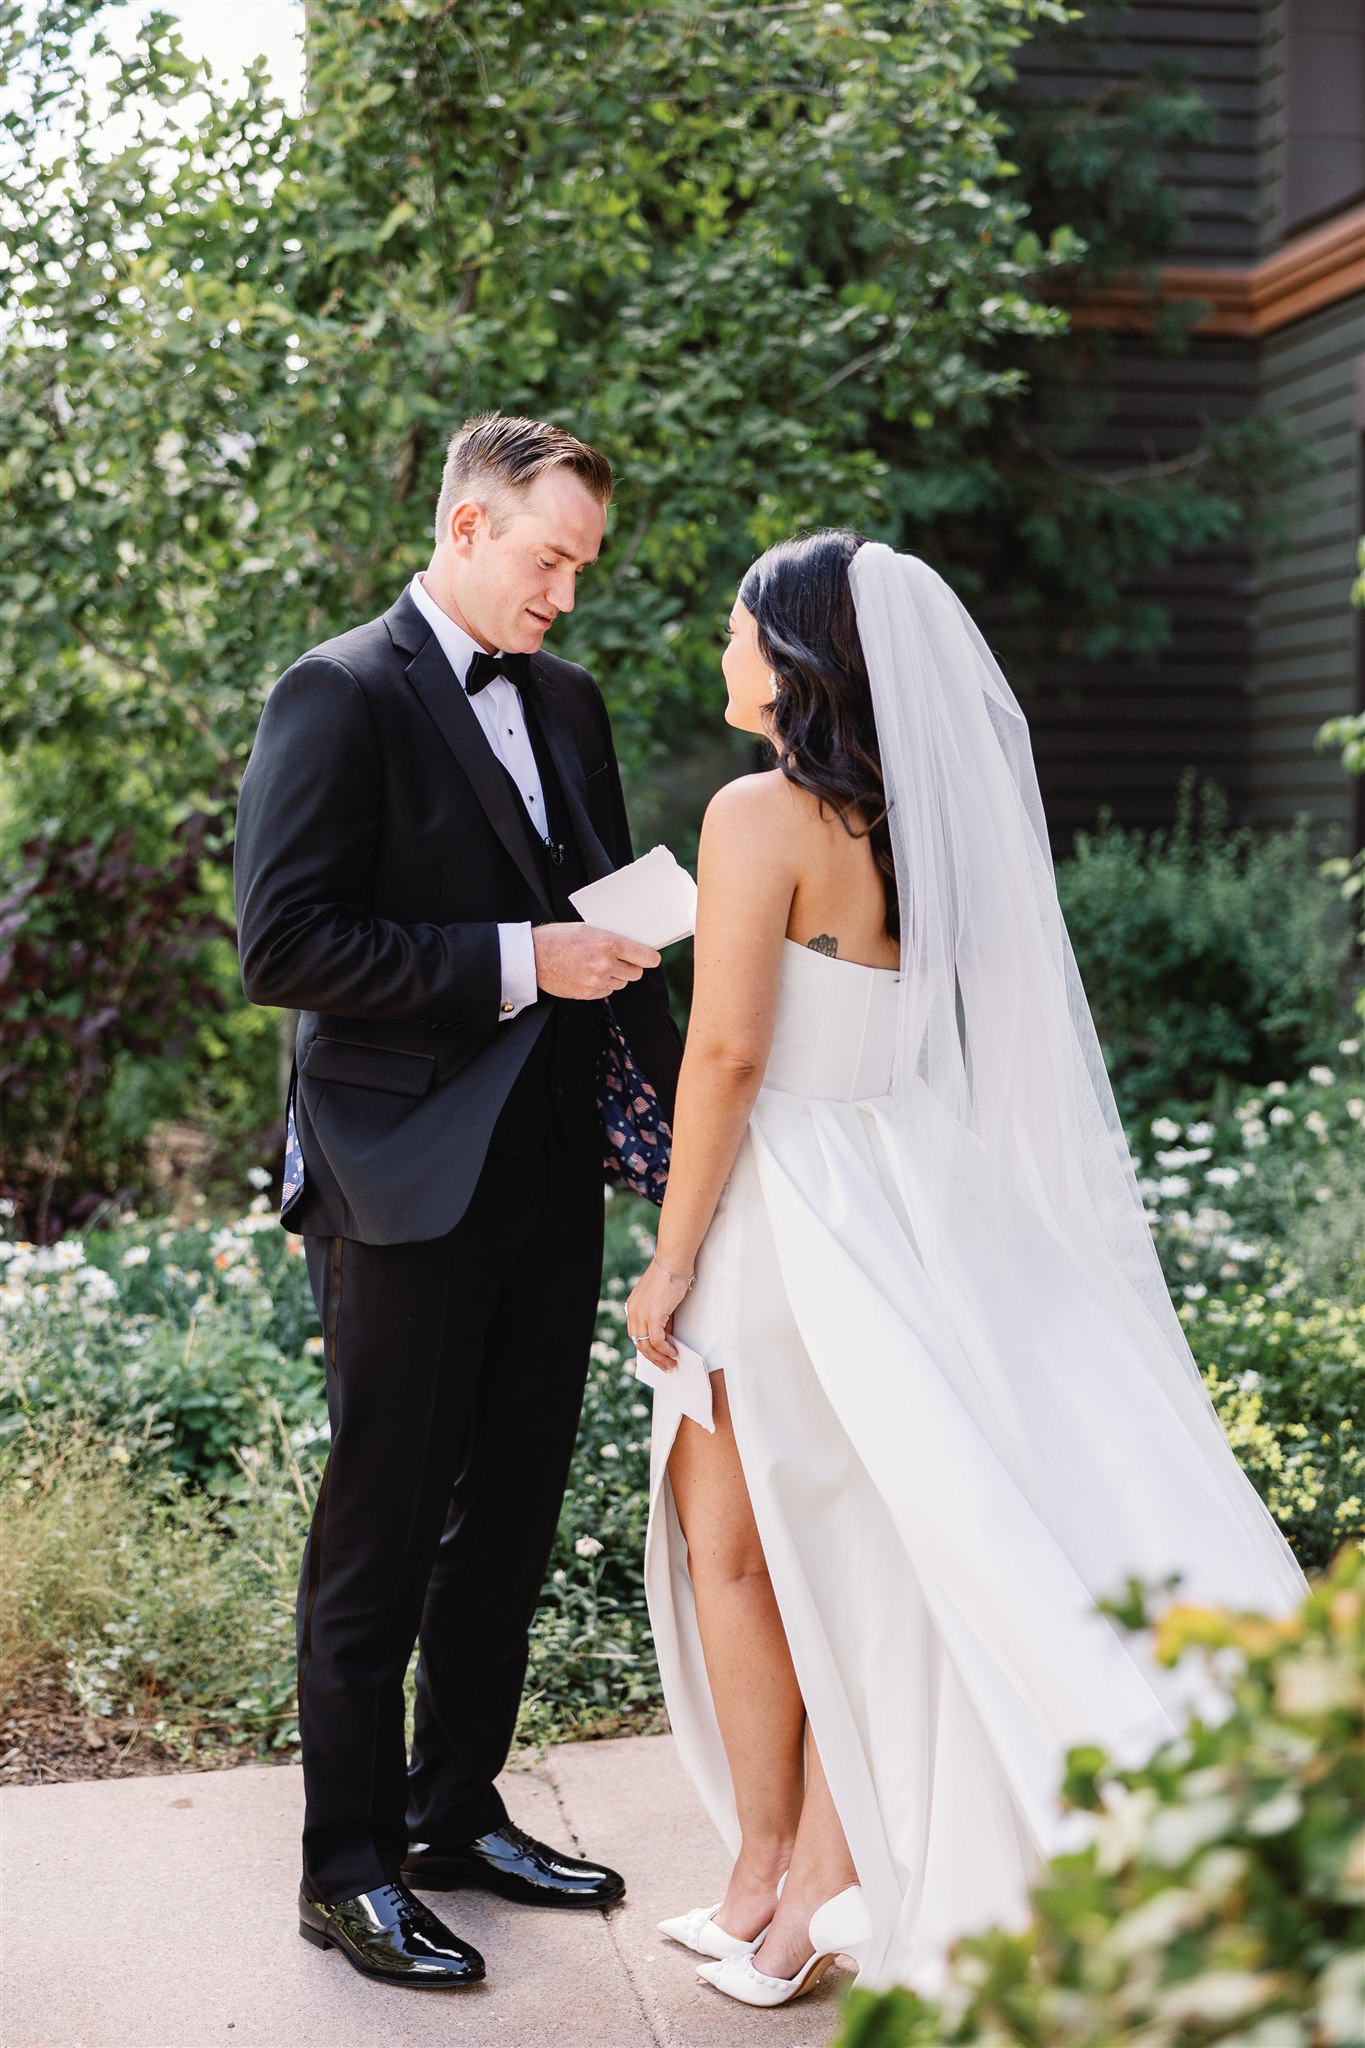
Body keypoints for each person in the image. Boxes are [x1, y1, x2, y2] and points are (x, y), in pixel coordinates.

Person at [626, 531, 1309, 2008]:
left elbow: (730, 1051)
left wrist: (668, 1259)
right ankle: (789, 1879)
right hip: (912, 1191)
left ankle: (794, 1884)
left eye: (741, 628)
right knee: (868, 1541)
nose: (724, 651)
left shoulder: (760, 813)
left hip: (790, 1207)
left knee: (734, 1543)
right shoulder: (926, 823)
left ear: (799, 656)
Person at [233, 413, 681, 1990]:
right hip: (400, 1174)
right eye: (550, 557)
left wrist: (698, 1138)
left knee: (507, 1518)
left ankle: (453, 1811)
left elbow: (594, 918)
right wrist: (519, 961)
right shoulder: (336, 692)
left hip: (552, 1164)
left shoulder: (567, 698)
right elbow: (283, 946)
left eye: (582, 564)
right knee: (380, 1525)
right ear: (468, 527)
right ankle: (343, 1866)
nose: (567, 592)